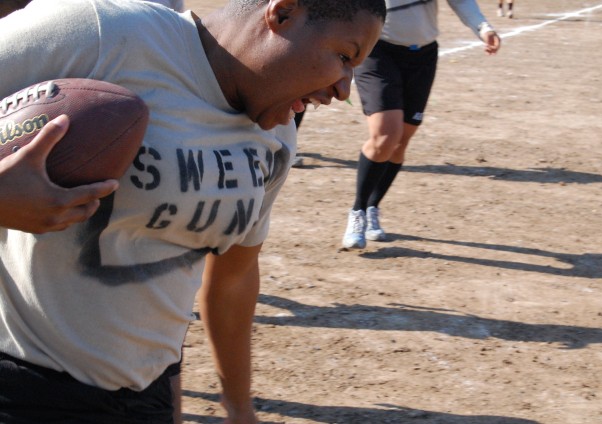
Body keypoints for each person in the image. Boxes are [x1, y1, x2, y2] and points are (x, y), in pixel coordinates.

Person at [0, 1, 385, 424]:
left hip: (147, 396)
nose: (345, 89)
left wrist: (239, 406)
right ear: (283, 13)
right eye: (344, 57)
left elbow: (232, 279)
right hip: (20, 385)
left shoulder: (276, 137)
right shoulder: (100, 32)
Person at [341, 0, 500, 250]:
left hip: (423, 56)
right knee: (385, 135)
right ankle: (357, 211)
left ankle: (373, 206)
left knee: (400, 142)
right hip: (378, 51)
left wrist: (483, 28)